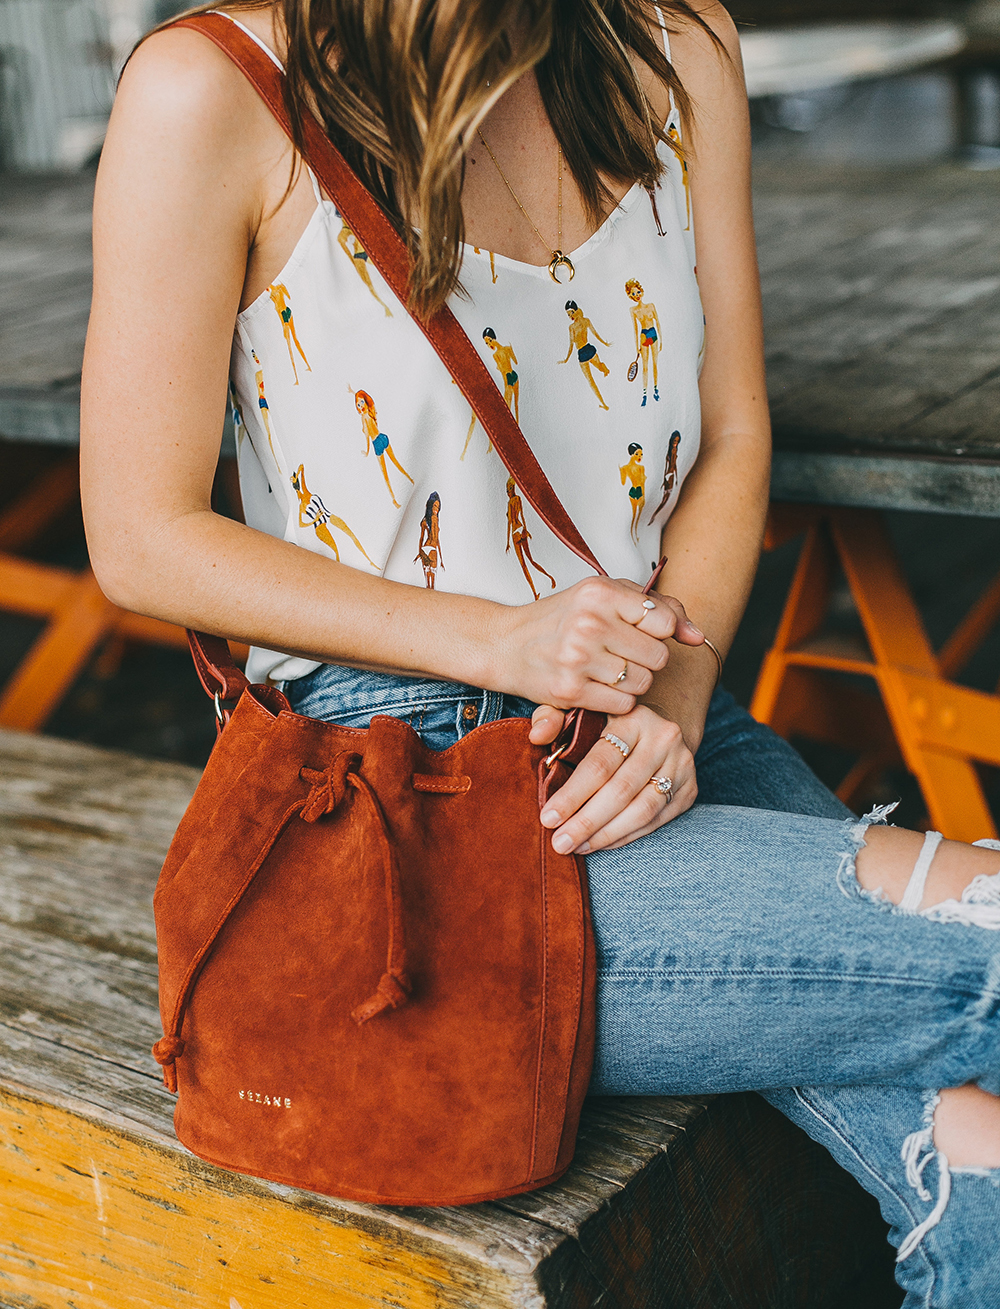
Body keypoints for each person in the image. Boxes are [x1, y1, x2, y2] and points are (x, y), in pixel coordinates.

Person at [81, 2, 1000, 1302]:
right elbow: (139, 534)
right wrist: (507, 636)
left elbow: (735, 435)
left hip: (661, 711)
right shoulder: (215, 88)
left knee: (984, 1148)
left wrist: (670, 706)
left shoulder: (676, 45)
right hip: (404, 794)